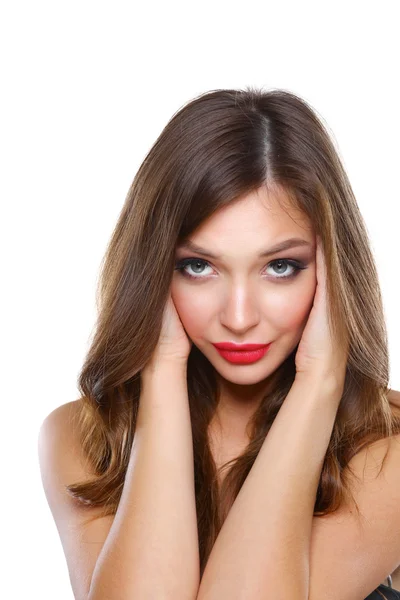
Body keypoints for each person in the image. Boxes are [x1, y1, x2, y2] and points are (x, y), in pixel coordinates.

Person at [38, 87, 400, 600]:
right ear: (157, 271)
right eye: (198, 266)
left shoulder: (390, 451)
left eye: (280, 267)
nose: (238, 317)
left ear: (333, 272)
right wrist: (160, 369)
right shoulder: (86, 437)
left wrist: (321, 382)